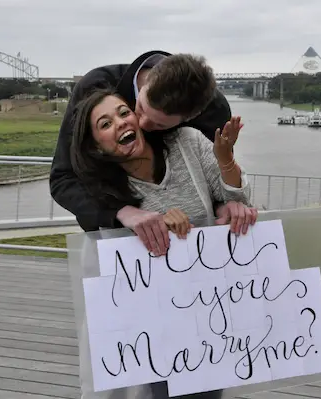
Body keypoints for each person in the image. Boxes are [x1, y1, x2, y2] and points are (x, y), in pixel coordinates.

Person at [71, 88, 255, 399]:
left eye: (123, 112)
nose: (119, 123)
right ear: (96, 147)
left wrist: (226, 170)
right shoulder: (103, 194)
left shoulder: (187, 141)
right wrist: (157, 229)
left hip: (211, 308)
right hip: (155, 325)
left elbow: (235, 197)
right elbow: (121, 267)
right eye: (104, 124)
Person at [50, 51, 253, 254]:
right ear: (145, 83)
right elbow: (63, 179)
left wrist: (224, 208)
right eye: (140, 108)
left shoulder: (209, 116)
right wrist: (120, 213)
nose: (142, 124)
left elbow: (223, 188)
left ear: (190, 118)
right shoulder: (95, 86)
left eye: (159, 124)